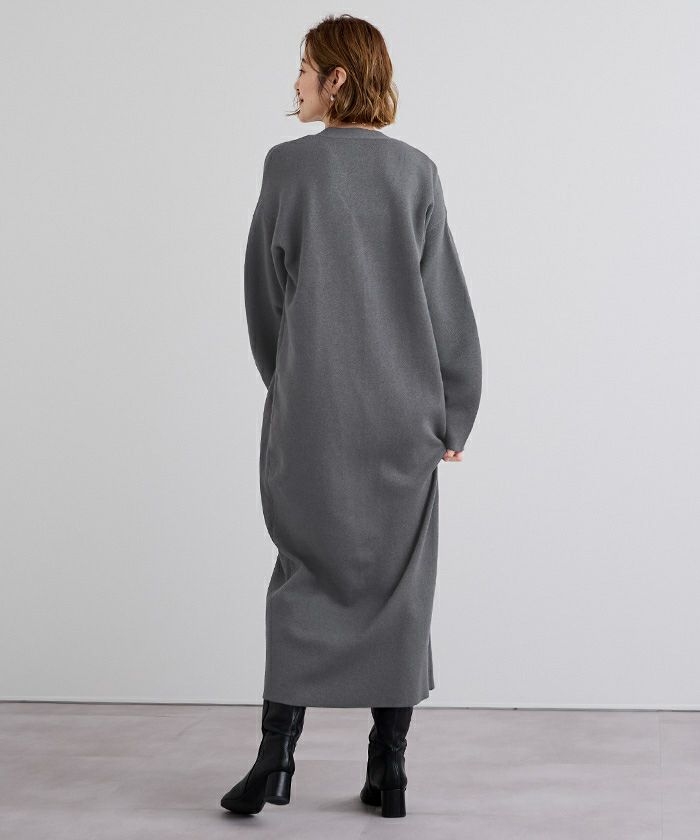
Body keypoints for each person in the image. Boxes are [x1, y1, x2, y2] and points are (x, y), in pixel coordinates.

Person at [221, 14, 482, 818]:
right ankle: (388, 772)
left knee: (302, 574)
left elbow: (264, 298)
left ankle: (275, 762)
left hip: (311, 416)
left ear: (337, 79)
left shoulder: (286, 167)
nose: (296, 81)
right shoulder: (417, 173)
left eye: (306, 67)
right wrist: (457, 412)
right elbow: (444, 303)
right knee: (400, 589)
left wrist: (290, 384)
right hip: (405, 419)